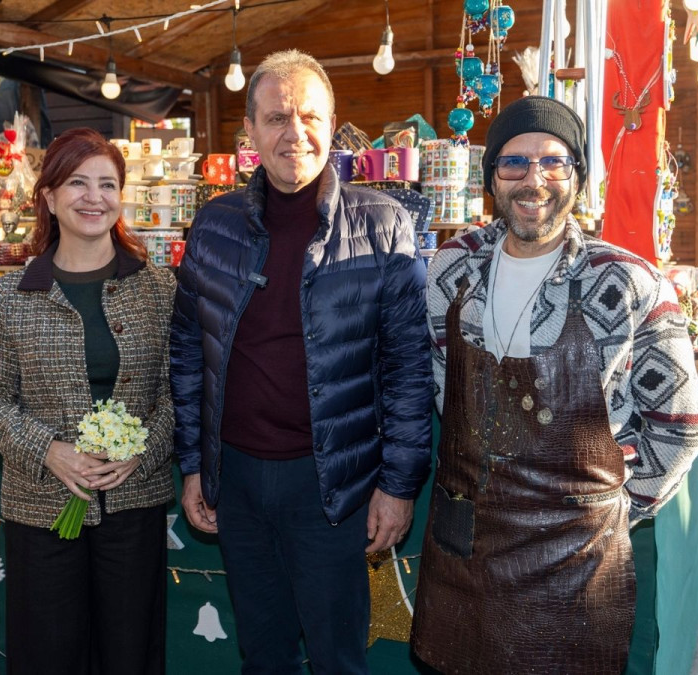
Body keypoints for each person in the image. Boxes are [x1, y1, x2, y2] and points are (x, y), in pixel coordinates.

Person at [410, 96, 698, 673]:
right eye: (513, 163)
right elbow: (440, 385)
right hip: (466, 544)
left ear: (577, 176)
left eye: (554, 162)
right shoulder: (452, 267)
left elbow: (680, 427)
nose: (533, 180)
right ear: (492, 175)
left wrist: (612, 512)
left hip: (575, 560)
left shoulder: (626, 282)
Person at [170, 49, 433, 674]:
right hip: (235, 478)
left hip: (333, 487)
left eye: (310, 115)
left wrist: (397, 487)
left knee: (338, 656)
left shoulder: (384, 224)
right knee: (263, 653)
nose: (295, 133)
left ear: (333, 122)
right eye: (277, 118)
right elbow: (186, 351)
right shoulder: (214, 225)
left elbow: (408, 371)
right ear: (252, 132)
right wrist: (191, 464)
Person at [0, 128, 176, 674]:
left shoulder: (158, 288)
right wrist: (48, 450)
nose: (94, 197)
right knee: (47, 653)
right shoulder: (17, 293)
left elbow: (183, 395)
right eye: (77, 182)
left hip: (134, 504)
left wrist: (143, 451)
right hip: (40, 507)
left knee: (130, 652)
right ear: (49, 197)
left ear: (121, 197)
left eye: (107, 184)